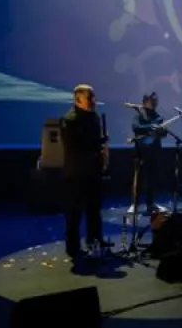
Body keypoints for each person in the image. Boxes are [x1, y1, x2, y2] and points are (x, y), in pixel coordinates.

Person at [60, 84, 110, 258]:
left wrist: (102, 146)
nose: (93, 101)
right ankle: (72, 245)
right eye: (90, 97)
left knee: (94, 208)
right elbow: (75, 146)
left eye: (93, 97)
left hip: (93, 169)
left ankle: (95, 239)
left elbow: (95, 141)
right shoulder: (70, 119)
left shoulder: (94, 116)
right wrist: (98, 143)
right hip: (77, 172)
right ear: (78, 99)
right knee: (74, 210)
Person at [130, 92, 169, 214]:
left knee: (151, 179)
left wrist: (162, 130)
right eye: (152, 101)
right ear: (146, 101)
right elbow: (136, 127)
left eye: (155, 101)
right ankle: (135, 204)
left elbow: (163, 134)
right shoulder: (139, 115)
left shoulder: (158, 117)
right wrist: (150, 126)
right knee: (139, 178)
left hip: (154, 151)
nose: (154, 103)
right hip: (141, 152)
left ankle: (150, 203)